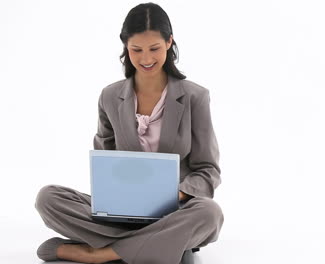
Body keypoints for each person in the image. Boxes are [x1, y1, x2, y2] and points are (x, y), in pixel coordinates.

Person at [34, 3, 224, 264]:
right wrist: (115, 198)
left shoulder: (195, 97)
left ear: (169, 42)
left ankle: (102, 253)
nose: (146, 59)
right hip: (121, 211)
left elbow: (208, 170)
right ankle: (157, 244)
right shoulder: (110, 97)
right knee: (48, 198)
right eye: (136, 50)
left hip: (174, 211)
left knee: (209, 214)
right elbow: (104, 162)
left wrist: (173, 195)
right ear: (125, 46)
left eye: (154, 49)